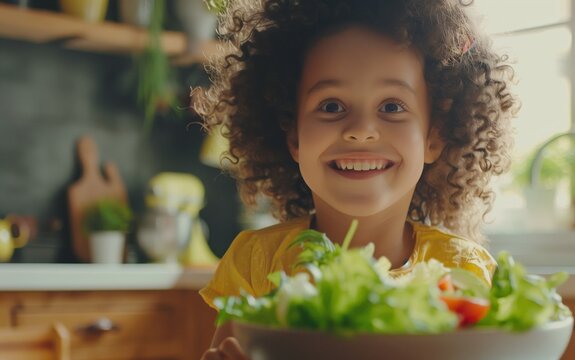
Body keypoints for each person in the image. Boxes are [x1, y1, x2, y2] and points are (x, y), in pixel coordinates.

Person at [193, 0, 517, 358]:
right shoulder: (255, 261)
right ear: (294, 138)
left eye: (392, 107)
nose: (361, 131)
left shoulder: (464, 269)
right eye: (332, 106)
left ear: (433, 138)